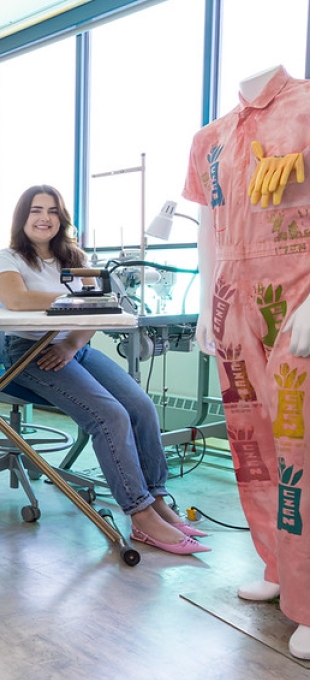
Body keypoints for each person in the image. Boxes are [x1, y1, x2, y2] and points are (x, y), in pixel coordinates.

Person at [0, 185, 210, 557]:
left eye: (53, 211)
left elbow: (101, 310)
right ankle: (140, 515)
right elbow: (15, 299)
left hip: (73, 346)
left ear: (62, 219)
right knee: (109, 416)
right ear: (22, 217)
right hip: (29, 353)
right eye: (36, 210)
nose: (45, 218)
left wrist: (72, 343)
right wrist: (78, 300)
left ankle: (156, 501)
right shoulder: (6, 258)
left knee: (140, 406)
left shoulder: (73, 257)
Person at [187, 65, 310, 659]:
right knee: (250, 445)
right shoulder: (210, 138)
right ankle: (275, 562)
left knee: (299, 445)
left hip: (296, 292)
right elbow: (209, 229)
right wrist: (206, 303)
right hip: (232, 305)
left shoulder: (307, 106)